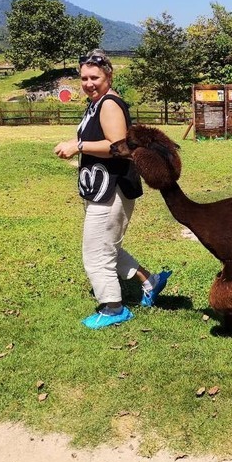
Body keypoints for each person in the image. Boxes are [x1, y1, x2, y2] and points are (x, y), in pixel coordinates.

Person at [54, 49, 171, 329]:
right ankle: (150, 281)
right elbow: (98, 136)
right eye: (83, 78)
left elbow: (119, 145)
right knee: (108, 247)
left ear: (109, 75)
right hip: (100, 187)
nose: (88, 83)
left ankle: (113, 308)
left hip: (113, 189)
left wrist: (78, 146)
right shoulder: (96, 103)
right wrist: (76, 141)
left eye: (94, 77)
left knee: (96, 251)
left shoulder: (109, 104)